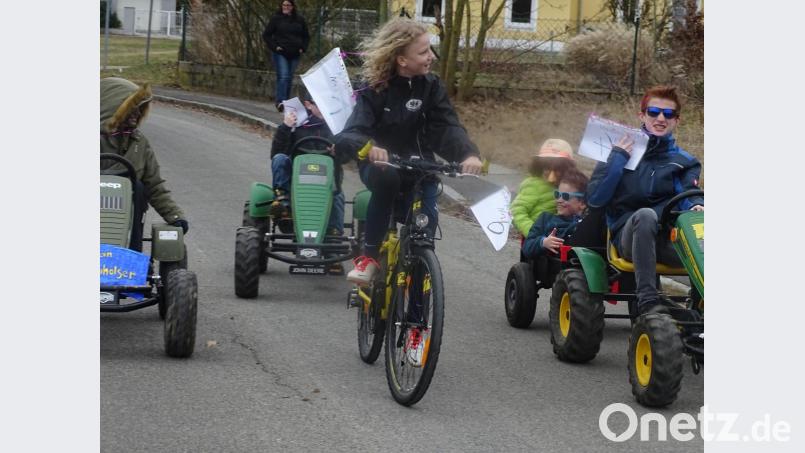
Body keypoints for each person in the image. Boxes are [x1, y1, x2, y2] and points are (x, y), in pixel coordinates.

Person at [334, 18, 483, 286]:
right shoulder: (374, 88)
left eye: (431, 49)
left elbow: (446, 126)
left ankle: (417, 317)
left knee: (423, 236)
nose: (431, 57)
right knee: (387, 182)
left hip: (420, 166)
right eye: (424, 51)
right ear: (402, 60)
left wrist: (467, 154)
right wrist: (370, 148)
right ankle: (369, 259)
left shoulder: (431, 86)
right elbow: (352, 131)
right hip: (381, 166)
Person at [586, 85, 703, 316]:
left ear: (676, 120)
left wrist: (695, 206)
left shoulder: (684, 161)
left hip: (668, 239)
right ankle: (647, 301)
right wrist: (618, 159)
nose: (660, 118)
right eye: (654, 112)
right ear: (642, 115)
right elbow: (596, 201)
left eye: (668, 114)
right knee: (646, 215)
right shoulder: (616, 151)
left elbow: (688, 194)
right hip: (628, 236)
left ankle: (700, 307)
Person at [100, 77, 189, 251]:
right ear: (115, 109)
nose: (137, 114)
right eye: (132, 109)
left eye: (140, 109)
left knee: (139, 187)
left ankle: (131, 257)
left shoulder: (139, 143)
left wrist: (174, 215)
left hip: (128, 215)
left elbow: (154, 184)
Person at [269, 90, 347, 274]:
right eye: (320, 104)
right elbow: (276, 152)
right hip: (297, 180)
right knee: (280, 159)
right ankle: (283, 203)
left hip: (327, 182)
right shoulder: (296, 126)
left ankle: (333, 244)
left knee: (337, 194)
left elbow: (346, 156)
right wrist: (286, 127)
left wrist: (340, 151)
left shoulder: (336, 129)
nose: (325, 108)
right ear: (308, 105)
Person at [511, 138, 579, 237]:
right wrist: (533, 232)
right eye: (547, 168)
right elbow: (516, 211)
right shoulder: (533, 184)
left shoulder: (568, 186)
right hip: (536, 240)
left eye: (557, 169)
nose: (551, 175)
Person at [522, 171, 588, 258]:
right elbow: (527, 247)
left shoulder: (586, 224)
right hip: (550, 267)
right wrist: (543, 242)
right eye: (557, 194)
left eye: (565, 196)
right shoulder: (546, 219)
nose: (559, 200)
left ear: (582, 203)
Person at [262, 0, 309, 111]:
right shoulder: (276, 19)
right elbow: (266, 35)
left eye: (288, 5)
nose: (286, 7)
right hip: (280, 53)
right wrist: (275, 47)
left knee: (289, 78)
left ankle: (286, 102)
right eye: (284, 5)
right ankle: (280, 101)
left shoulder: (299, 20)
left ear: (292, 7)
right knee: (283, 76)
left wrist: (303, 48)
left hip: (295, 53)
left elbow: (306, 36)